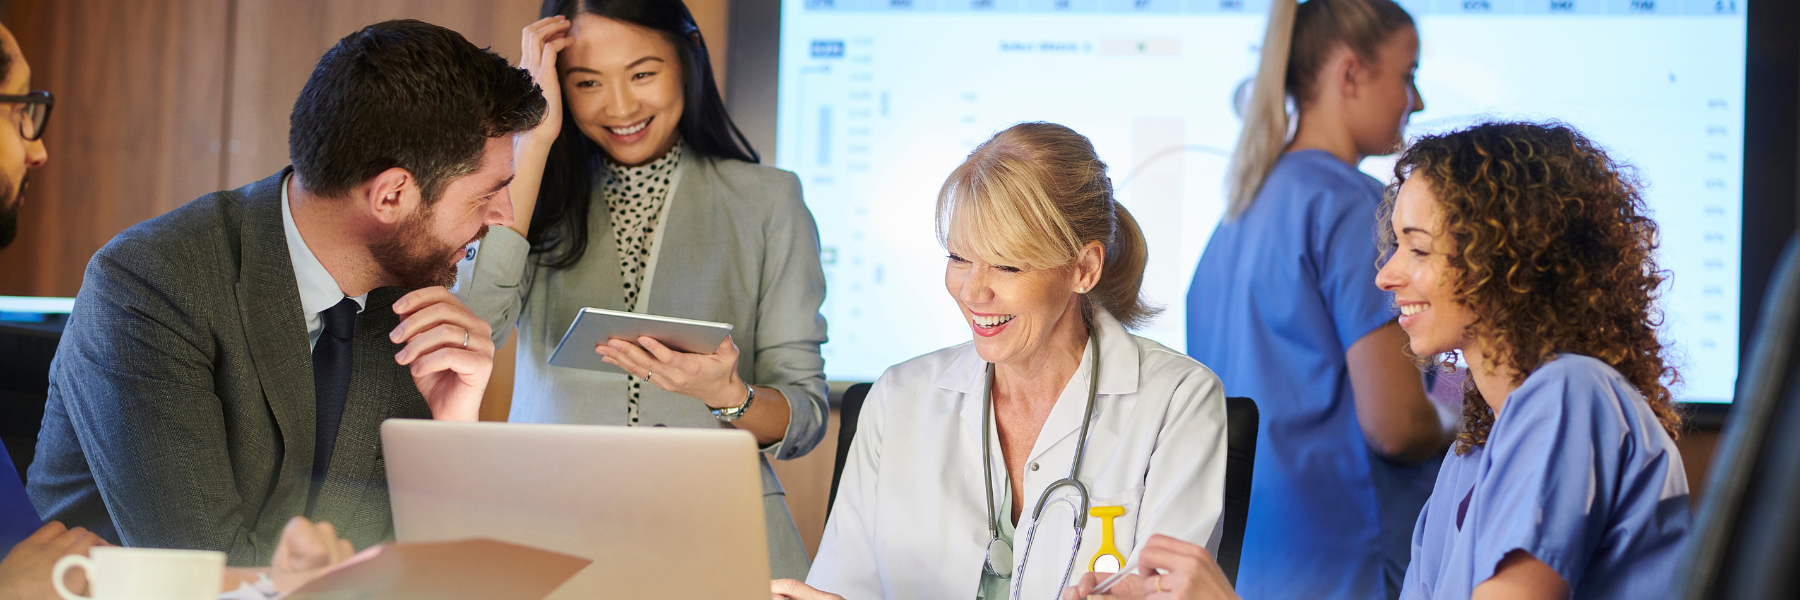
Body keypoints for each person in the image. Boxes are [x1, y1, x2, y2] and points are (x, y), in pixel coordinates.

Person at [1067, 121, 1691, 600]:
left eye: (1416, 249)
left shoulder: (1569, 395)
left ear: (1506, 259)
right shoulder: (1470, 457)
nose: (1386, 275)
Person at [27, 19, 545, 566]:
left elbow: (429, 570)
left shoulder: (413, 302)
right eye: (485, 195)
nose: (502, 216)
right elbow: (205, 571)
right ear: (391, 196)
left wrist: (453, 428)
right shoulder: (152, 285)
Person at [772, 123, 1227, 600]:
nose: (972, 291)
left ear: (1084, 268)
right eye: (959, 257)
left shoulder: (1178, 401)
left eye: (1007, 264)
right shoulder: (898, 397)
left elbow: (1163, 590)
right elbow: (842, 584)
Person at [458, 0, 827, 577]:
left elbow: (804, 415)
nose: (621, 106)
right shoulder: (528, 196)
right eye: (587, 82)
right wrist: (531, 140)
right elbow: (469, 327)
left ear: (687, 58)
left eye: (642, 74)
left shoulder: (769, 200)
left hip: (720, 538)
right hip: (552, 533)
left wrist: (729, 395)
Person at [1183, 0, 1452, 597]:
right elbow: (1398, 426)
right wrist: (1460, 406)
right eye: (1407, 75)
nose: (1417, 101)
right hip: (1348, 569)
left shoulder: (1233, 222)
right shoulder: (1355, 208)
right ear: (1350, 74)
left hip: (1252, 571)